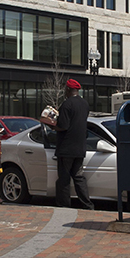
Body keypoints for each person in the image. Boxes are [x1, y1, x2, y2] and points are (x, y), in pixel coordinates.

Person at [41, 78, 95, 211]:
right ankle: (87, 205)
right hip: (80, 147)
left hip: (66, 148)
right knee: (78, 177)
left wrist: (52, 125)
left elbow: (63, 126)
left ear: (68, 89)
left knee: (64, 178)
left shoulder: (67, 105)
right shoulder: (85, 104)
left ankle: (63, 205)